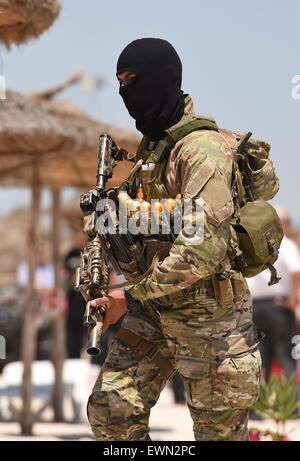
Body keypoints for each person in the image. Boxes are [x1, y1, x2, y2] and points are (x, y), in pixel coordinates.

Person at [86, 38, 274, 441]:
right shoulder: (152, 152)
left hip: (210, 318)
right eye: (119, 82)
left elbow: (202, 247)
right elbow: (146, 229)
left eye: (133, 80)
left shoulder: (202, 149)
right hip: (154, 310)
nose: (125, 92)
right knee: (112, 413)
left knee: (217, 434)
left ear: (163, 79)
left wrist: (131, 297)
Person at [248, 207, 300, 380]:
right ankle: (292, 406)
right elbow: (296, 271)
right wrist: (293, 301)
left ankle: (257, 407)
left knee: (260, 362)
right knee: (287, 358)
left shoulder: (255, 245)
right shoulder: (285, 244)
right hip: (279, 306)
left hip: (256, 309)